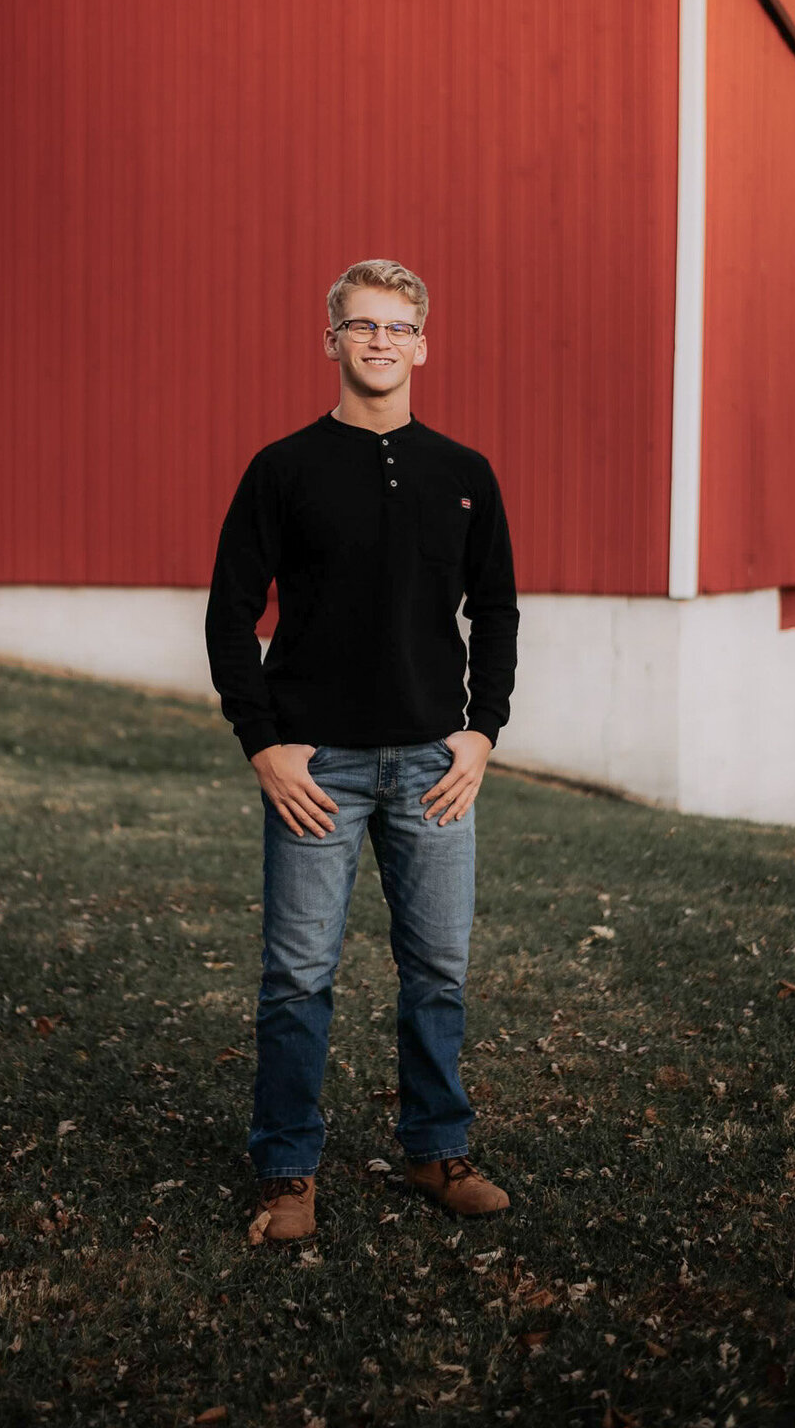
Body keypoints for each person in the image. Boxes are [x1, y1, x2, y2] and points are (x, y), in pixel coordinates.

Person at [204, 258, 520, 1243]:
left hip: (432, 766)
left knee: (438, 969)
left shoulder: (464, 475)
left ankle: (435, 1148)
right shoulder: (283, 470)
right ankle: (288, 1171)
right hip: (318, 771)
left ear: (423, 343)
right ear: (330, 340)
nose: (379, 341)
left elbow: (497, 610)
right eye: (360, 325)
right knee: (298, 975)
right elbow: (227, 615)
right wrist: (263, 745)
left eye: (396, 326)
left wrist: (481, 730)